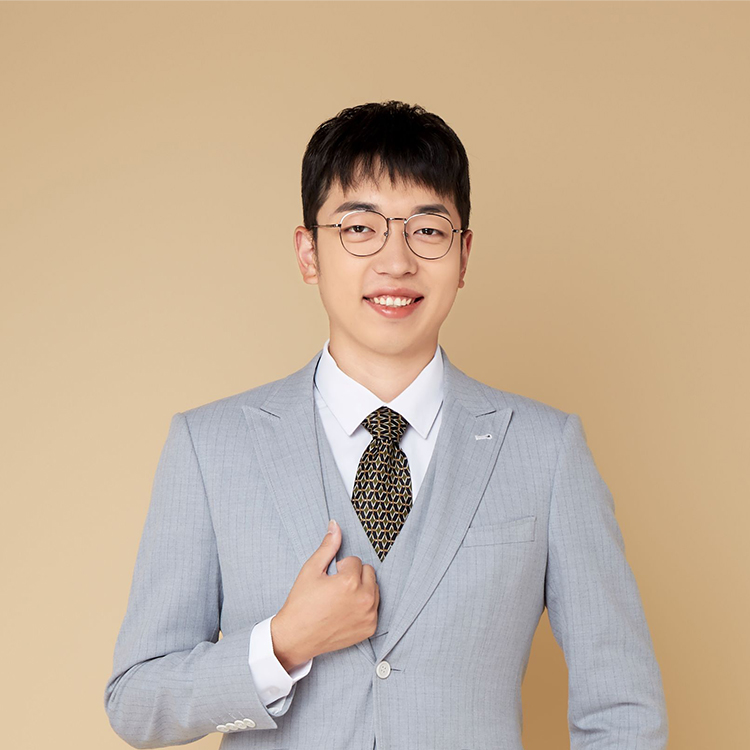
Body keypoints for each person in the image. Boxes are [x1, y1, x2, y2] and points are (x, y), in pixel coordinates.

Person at [104, 101, 668, 749]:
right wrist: (281, 644)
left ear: (464, 255)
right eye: (360, 228)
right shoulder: (209, 448)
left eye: (427, 230)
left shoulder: (546, 450)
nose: (396, 261)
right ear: (308, 253)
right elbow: (136, 702)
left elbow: (623, 708)